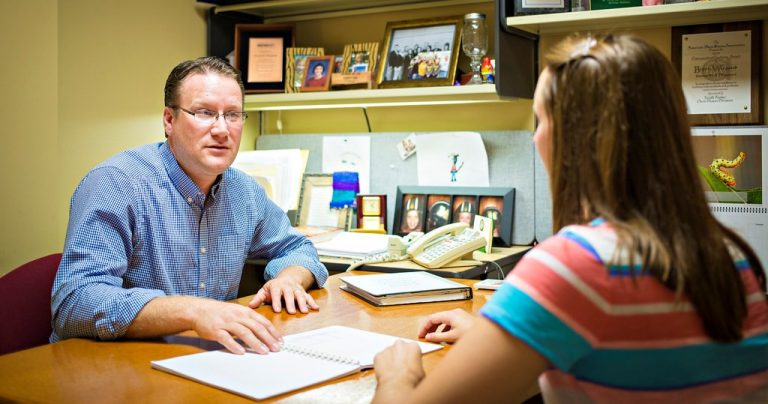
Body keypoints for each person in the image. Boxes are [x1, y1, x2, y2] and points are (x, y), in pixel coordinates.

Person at [373, 34, 768, 402]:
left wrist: (397, 375)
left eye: (540, 120)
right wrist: (501, 335)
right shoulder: (730, 256)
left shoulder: (577, 262)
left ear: (573, 139)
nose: (534, 138)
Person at [51, 56, 328, 355]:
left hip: (207, 360)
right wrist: (193, 312)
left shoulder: (244, 191)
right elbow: (75, 301)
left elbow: (297, 248)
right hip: (112, 367)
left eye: (233, 114)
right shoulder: (116, 185)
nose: (222, 130)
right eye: (205, 113)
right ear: (169, 120)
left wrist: (289, 279)